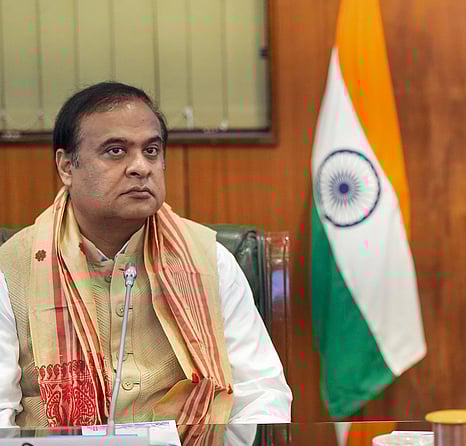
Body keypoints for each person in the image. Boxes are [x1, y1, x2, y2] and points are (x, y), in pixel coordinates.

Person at [0, 81, 292, 427]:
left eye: (151, 151)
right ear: (66, 167)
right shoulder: (11, 269)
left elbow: (261, 395)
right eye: (115, 151)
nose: (141, 167)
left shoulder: (210, 262)